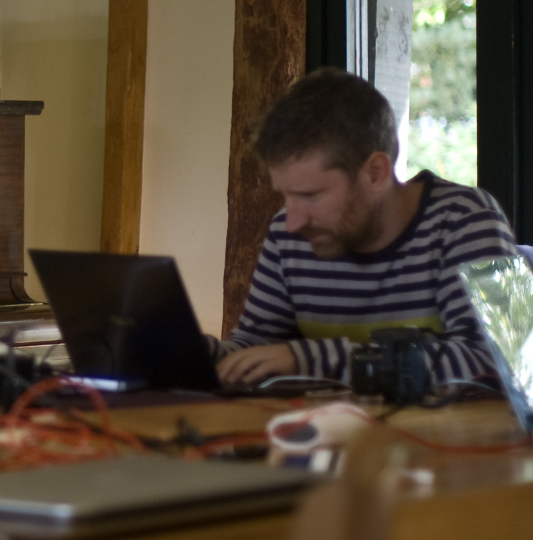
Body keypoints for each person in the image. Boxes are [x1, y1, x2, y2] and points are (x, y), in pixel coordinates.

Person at [213, 68, 517, 386]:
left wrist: (316, 360)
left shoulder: (466, 220)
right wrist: (195, 353)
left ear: (375, 173)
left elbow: (507, 362)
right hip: (327, 422)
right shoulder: (289, 237)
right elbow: (254, 350)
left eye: (310, 195)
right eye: (286, 196)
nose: (293, 221)